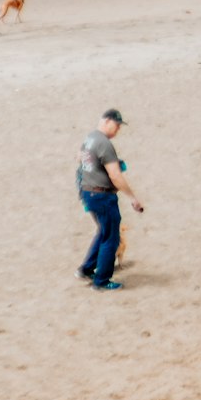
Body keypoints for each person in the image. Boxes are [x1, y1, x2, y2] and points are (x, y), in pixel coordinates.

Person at [77, 110, 144, 291]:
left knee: (103, 231)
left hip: (88, 192)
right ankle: (102, 280)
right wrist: (133, 198)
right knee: (111, 237)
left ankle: (86, 269)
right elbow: (115, 175)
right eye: (117, 125)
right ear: (107, 121)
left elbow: (80, 159)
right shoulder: (104, 144)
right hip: (102, 196)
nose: (117, 130)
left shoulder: (90, 138)